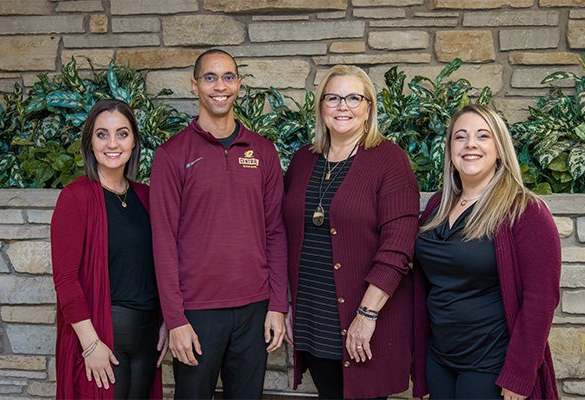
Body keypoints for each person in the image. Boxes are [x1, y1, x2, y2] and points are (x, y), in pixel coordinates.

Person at [149, 49, 288, 399]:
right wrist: (176, 319)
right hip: (197, 311)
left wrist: (277, 305)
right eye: (210, 78)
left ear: (239, 84)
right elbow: (163, 241)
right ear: (194, 85)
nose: (219, 86)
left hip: (254, 308)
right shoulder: (171, 155)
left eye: (228, 77)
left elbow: (275, 231)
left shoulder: (263, 151)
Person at [282, 65, 420, 399]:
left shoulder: (389, 160)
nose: (343, 106)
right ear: (321, 107)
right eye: (333, 98)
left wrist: (367, 314)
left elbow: (398, 246)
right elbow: (286, 235)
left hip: (364, 319)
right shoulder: (303, 160)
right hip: (314, 317)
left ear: (369, 107)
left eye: (353, 97)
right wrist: (287, 303)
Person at [412, 105, 560, 400]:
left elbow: (540, 301)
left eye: (483, 136)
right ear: (450, 149)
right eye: (460, 137)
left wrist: (519, 375)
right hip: (440, 358)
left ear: (500, 149)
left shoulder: (525, 211)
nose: (470, 145)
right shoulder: (437, 206)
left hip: (491, 364)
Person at [51, 99, 168, 399]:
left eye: (122, 133)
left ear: (134, 142)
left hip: (147, 340)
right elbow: (65, 279)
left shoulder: (146, 196)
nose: (112, 143)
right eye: (102, 134)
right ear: (90, 142)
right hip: (102, 338)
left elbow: (162, 264)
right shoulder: (75, 197)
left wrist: (169, 320)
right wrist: (91, 344)